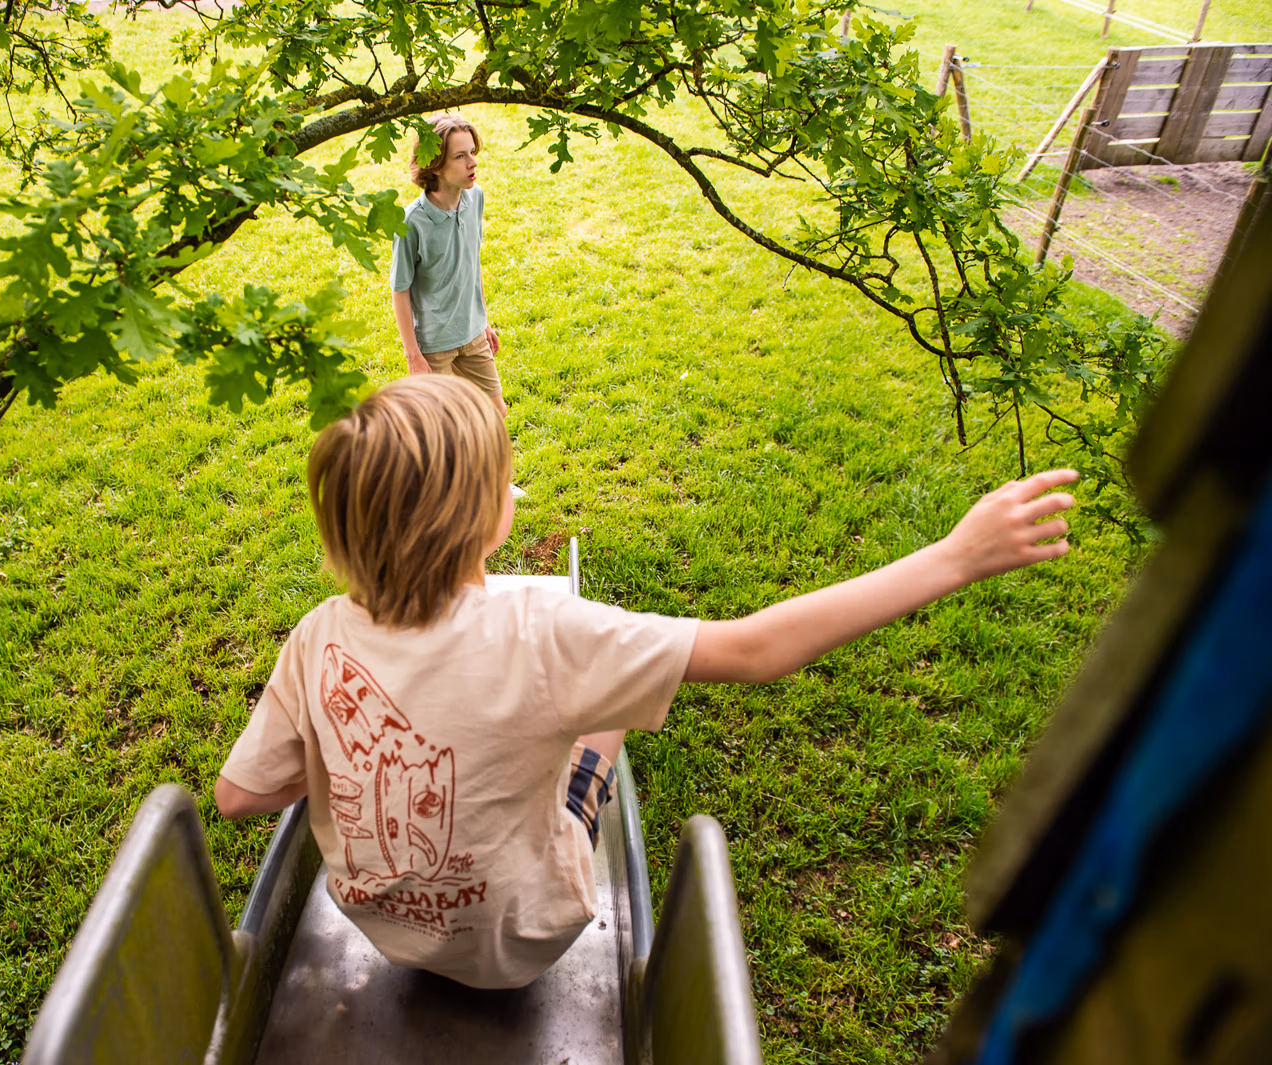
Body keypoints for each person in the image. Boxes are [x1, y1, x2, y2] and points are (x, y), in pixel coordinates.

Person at [214, 376, 1078, 990]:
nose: (513, 484)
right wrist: (956, 555)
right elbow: (755, 648)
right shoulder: (549, 630)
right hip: (521, 943)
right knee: (605, 724)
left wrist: (336, 756)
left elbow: (238, 795)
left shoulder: (319, 633)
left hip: (385, 933)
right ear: (481, 516)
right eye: (501, 478)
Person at [389, 114, 506, 417]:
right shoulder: (411, 222)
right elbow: (400, 290)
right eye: (460, 156)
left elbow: (471, 261)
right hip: (434, 344)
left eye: (472, 153)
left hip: (472, 332)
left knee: (495, 415)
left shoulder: (474, 197)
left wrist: (483, 320)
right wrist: (413, 355)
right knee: (443, 429)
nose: (473, 163)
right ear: (436, 165)